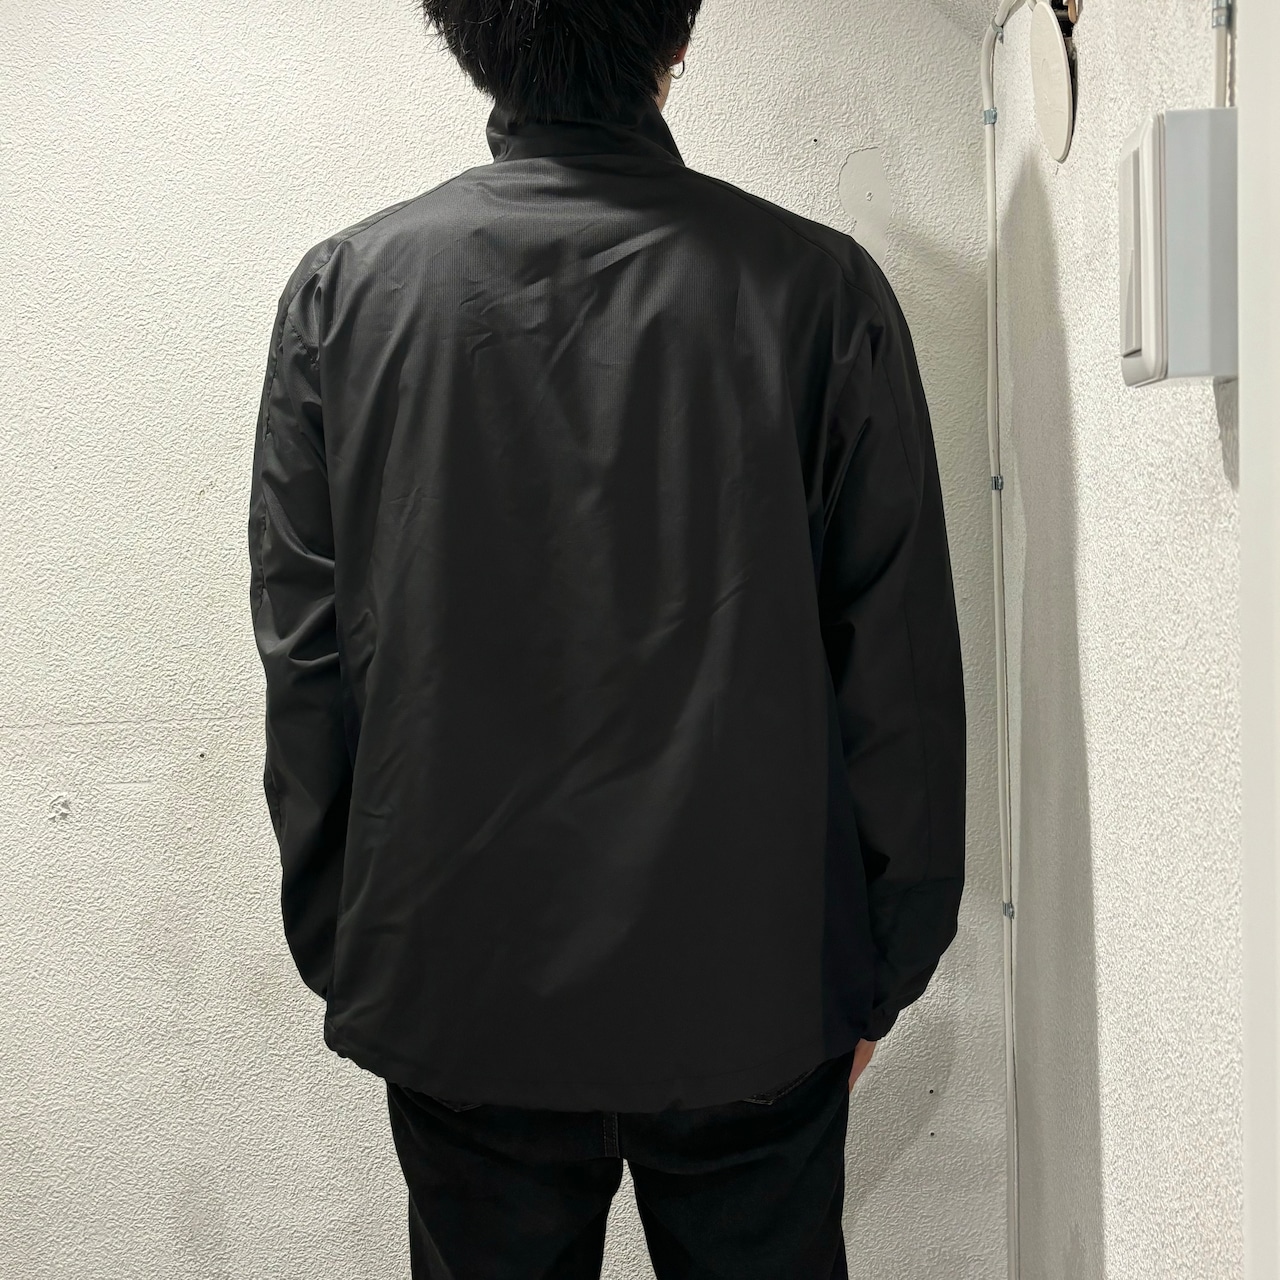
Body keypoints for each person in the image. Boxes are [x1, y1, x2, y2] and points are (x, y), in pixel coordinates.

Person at [247, 1, 966, 1274]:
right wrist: (883, 961)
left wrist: (355, 947)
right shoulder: (816, 290)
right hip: (754, 988)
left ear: (462, 34)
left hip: (461, 983)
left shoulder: (343, 296)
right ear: (676, 31)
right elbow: (894, 669)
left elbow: (308, 665)